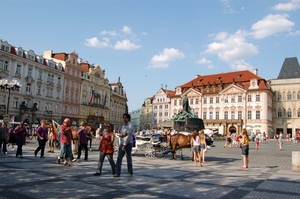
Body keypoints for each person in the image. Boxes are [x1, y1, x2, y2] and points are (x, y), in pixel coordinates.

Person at [114, 113, 135, 177]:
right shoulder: (123, 126)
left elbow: (128, 136)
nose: (124, 119)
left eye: (125, 117)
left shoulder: (130, 125)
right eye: (123, 117)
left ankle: (130, 172)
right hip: (122, 143)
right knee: (119, 158)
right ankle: (117, 173)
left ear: (128, 118)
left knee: (128, 157)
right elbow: (122, 135)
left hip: (128, 143)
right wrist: (120, 135)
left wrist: (124, 145)